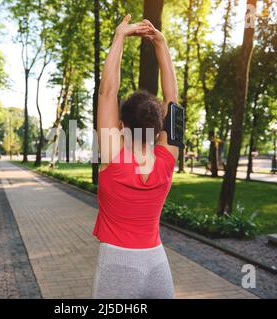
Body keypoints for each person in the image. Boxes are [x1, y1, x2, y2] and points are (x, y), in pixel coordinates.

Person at [92, 14, 180, 299]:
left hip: (117, 266)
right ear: (158, 130)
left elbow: (107, 92)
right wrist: (160, 43)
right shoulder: (167, 159)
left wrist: (119, 36)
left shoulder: (114, 157)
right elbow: (173, 102)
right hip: (157, 264)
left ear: (122, 127)